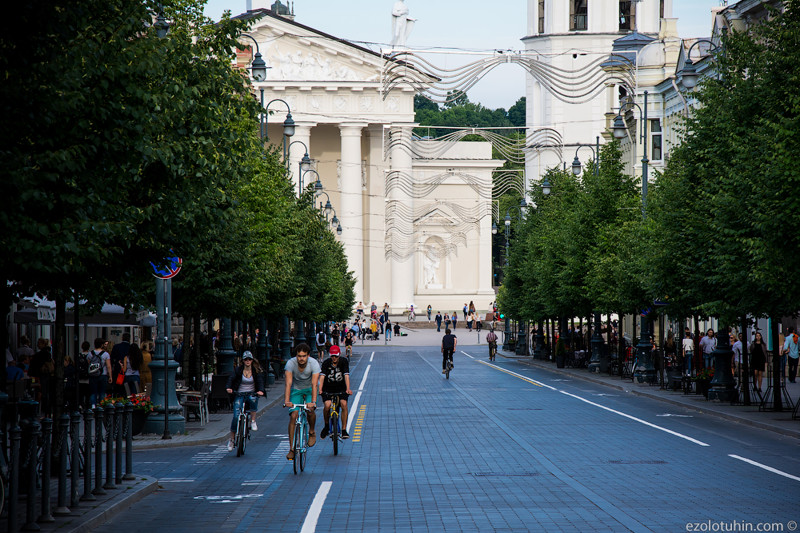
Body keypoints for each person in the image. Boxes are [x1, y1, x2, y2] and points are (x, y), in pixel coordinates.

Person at [283, 343, 320, 461]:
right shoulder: (290, 364)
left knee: (310, 411)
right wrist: (287, 401)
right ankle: (292, 449)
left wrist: (313, 402)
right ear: (296, 356)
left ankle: (312, 431)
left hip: (310, 390)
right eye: (299, 356)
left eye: (304, 356)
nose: (301, 358)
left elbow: (315, 384)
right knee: (293, 415)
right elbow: (288, 383)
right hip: (297, 390)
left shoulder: (314, 364)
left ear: (308, 356)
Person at [225, 351, 265, 452]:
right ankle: (232, 439)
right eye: (246, 359)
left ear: (252, 360)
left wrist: (260, 391)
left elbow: (260, 381)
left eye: (249, 359)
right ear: (243, 361)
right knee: (235, 416)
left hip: (251, 393)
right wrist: (229, 388)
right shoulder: (238, 370)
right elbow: (231, 378)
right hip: (239, 394)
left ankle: (253, 421)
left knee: (253, 400)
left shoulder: (256, 371)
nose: (248, 361)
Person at [318, 345, 352, 440]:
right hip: (328, 389)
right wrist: (320, 389)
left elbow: (346, 376)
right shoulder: (326, 363)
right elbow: (322, 377)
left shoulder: (343, 361)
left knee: (343, 404)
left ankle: (344, 430)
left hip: (341, 388)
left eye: (336, 356)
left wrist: (348, 389)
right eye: (332, 356)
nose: (334, 358)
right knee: (327, 405)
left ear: (339, 355)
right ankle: (326, 425)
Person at [88, 338, 113, 407]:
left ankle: (93, 406)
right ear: (102, 345)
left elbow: (89, 364)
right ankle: (101, 406)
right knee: (102, 392)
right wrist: (110, 376)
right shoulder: (105, 354)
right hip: (103, 375)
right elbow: (108, 366)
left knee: (93, 392)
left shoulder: (90, 354)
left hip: (93, 375)